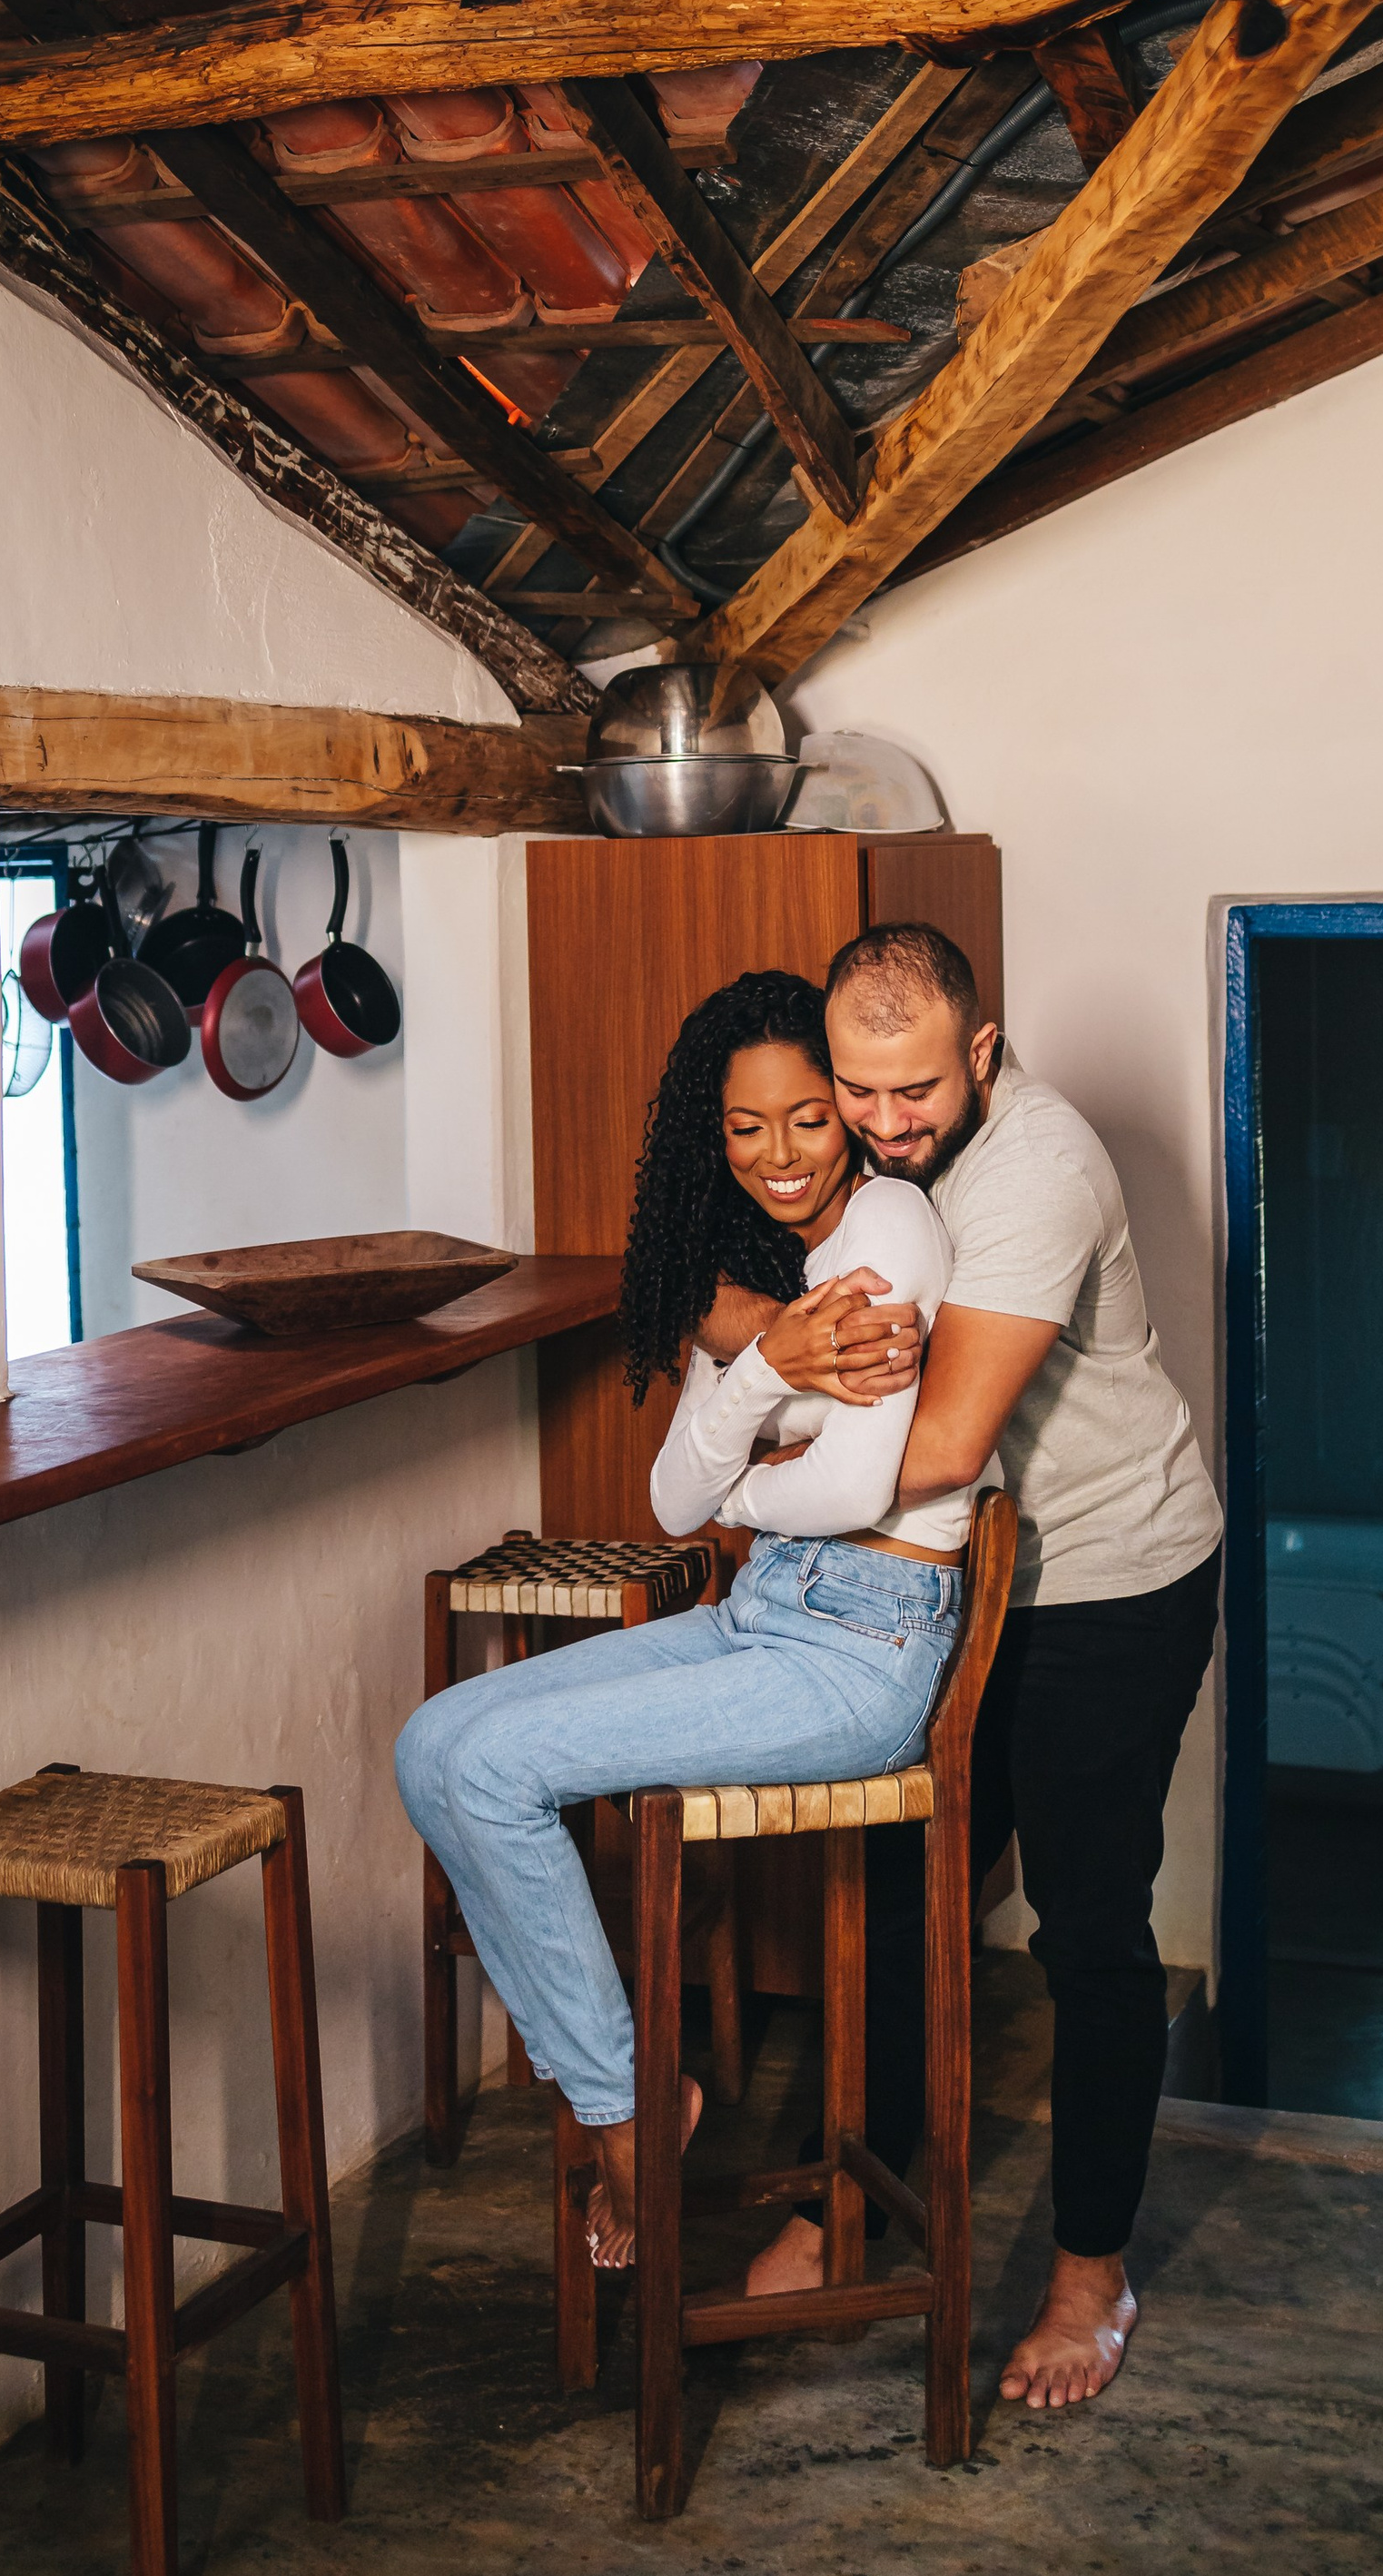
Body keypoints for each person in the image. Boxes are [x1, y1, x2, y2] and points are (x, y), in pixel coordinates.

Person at [704, 924, 1222, 2411]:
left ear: (981, 1055)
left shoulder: (1033, 1171)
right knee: (902, 1887)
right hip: (961, 1583)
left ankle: (1089, 2272)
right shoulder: (877, 1161)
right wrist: (773, 1347)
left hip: (1109, 1586)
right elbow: (730, 1294)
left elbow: (930, 1445)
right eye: (857, 1093)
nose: (880, 1125)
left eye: (914, 1091)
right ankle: (844, 2195)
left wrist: (736, 1446)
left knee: (1088, 1929)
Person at [394, 968, 986, 2269]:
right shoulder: (765, 1271)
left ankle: (623, 2107)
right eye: (744, 1128)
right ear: (710, 1137)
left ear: (847, 1112)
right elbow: (674, 1503)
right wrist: (770, 1364)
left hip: (862, 1653)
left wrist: (755, 1467)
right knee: (434, 1745)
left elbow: (852, 1484)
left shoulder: (888, 1224)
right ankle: (625, 2092)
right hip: (769, 1610)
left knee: (492, 1768)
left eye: (807, 1119)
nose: (779, 1154)